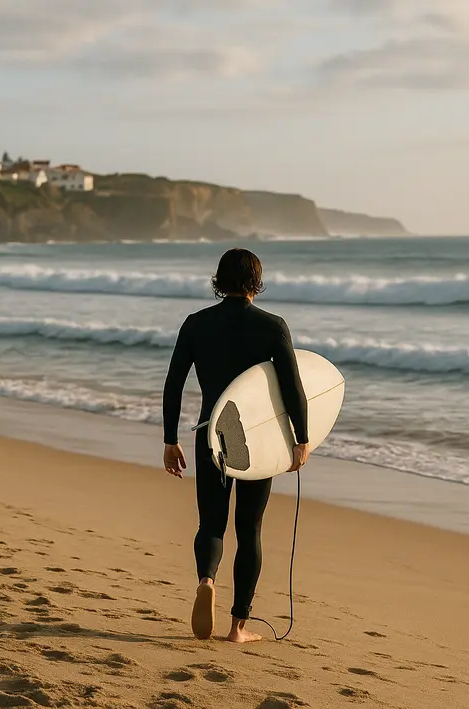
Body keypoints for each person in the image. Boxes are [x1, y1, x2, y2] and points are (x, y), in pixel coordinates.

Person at [162, 248, 310, 643]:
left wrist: (169, 439)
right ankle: (237, 627)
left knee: (211, 521)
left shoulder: (196, 324)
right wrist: (302, 438)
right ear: (255, 282)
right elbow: (293, 387)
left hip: (211, 432)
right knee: (250, 528)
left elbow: (173, 383)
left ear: (219, 280)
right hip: (256, 440)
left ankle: (206, 580)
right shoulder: (272, 326)